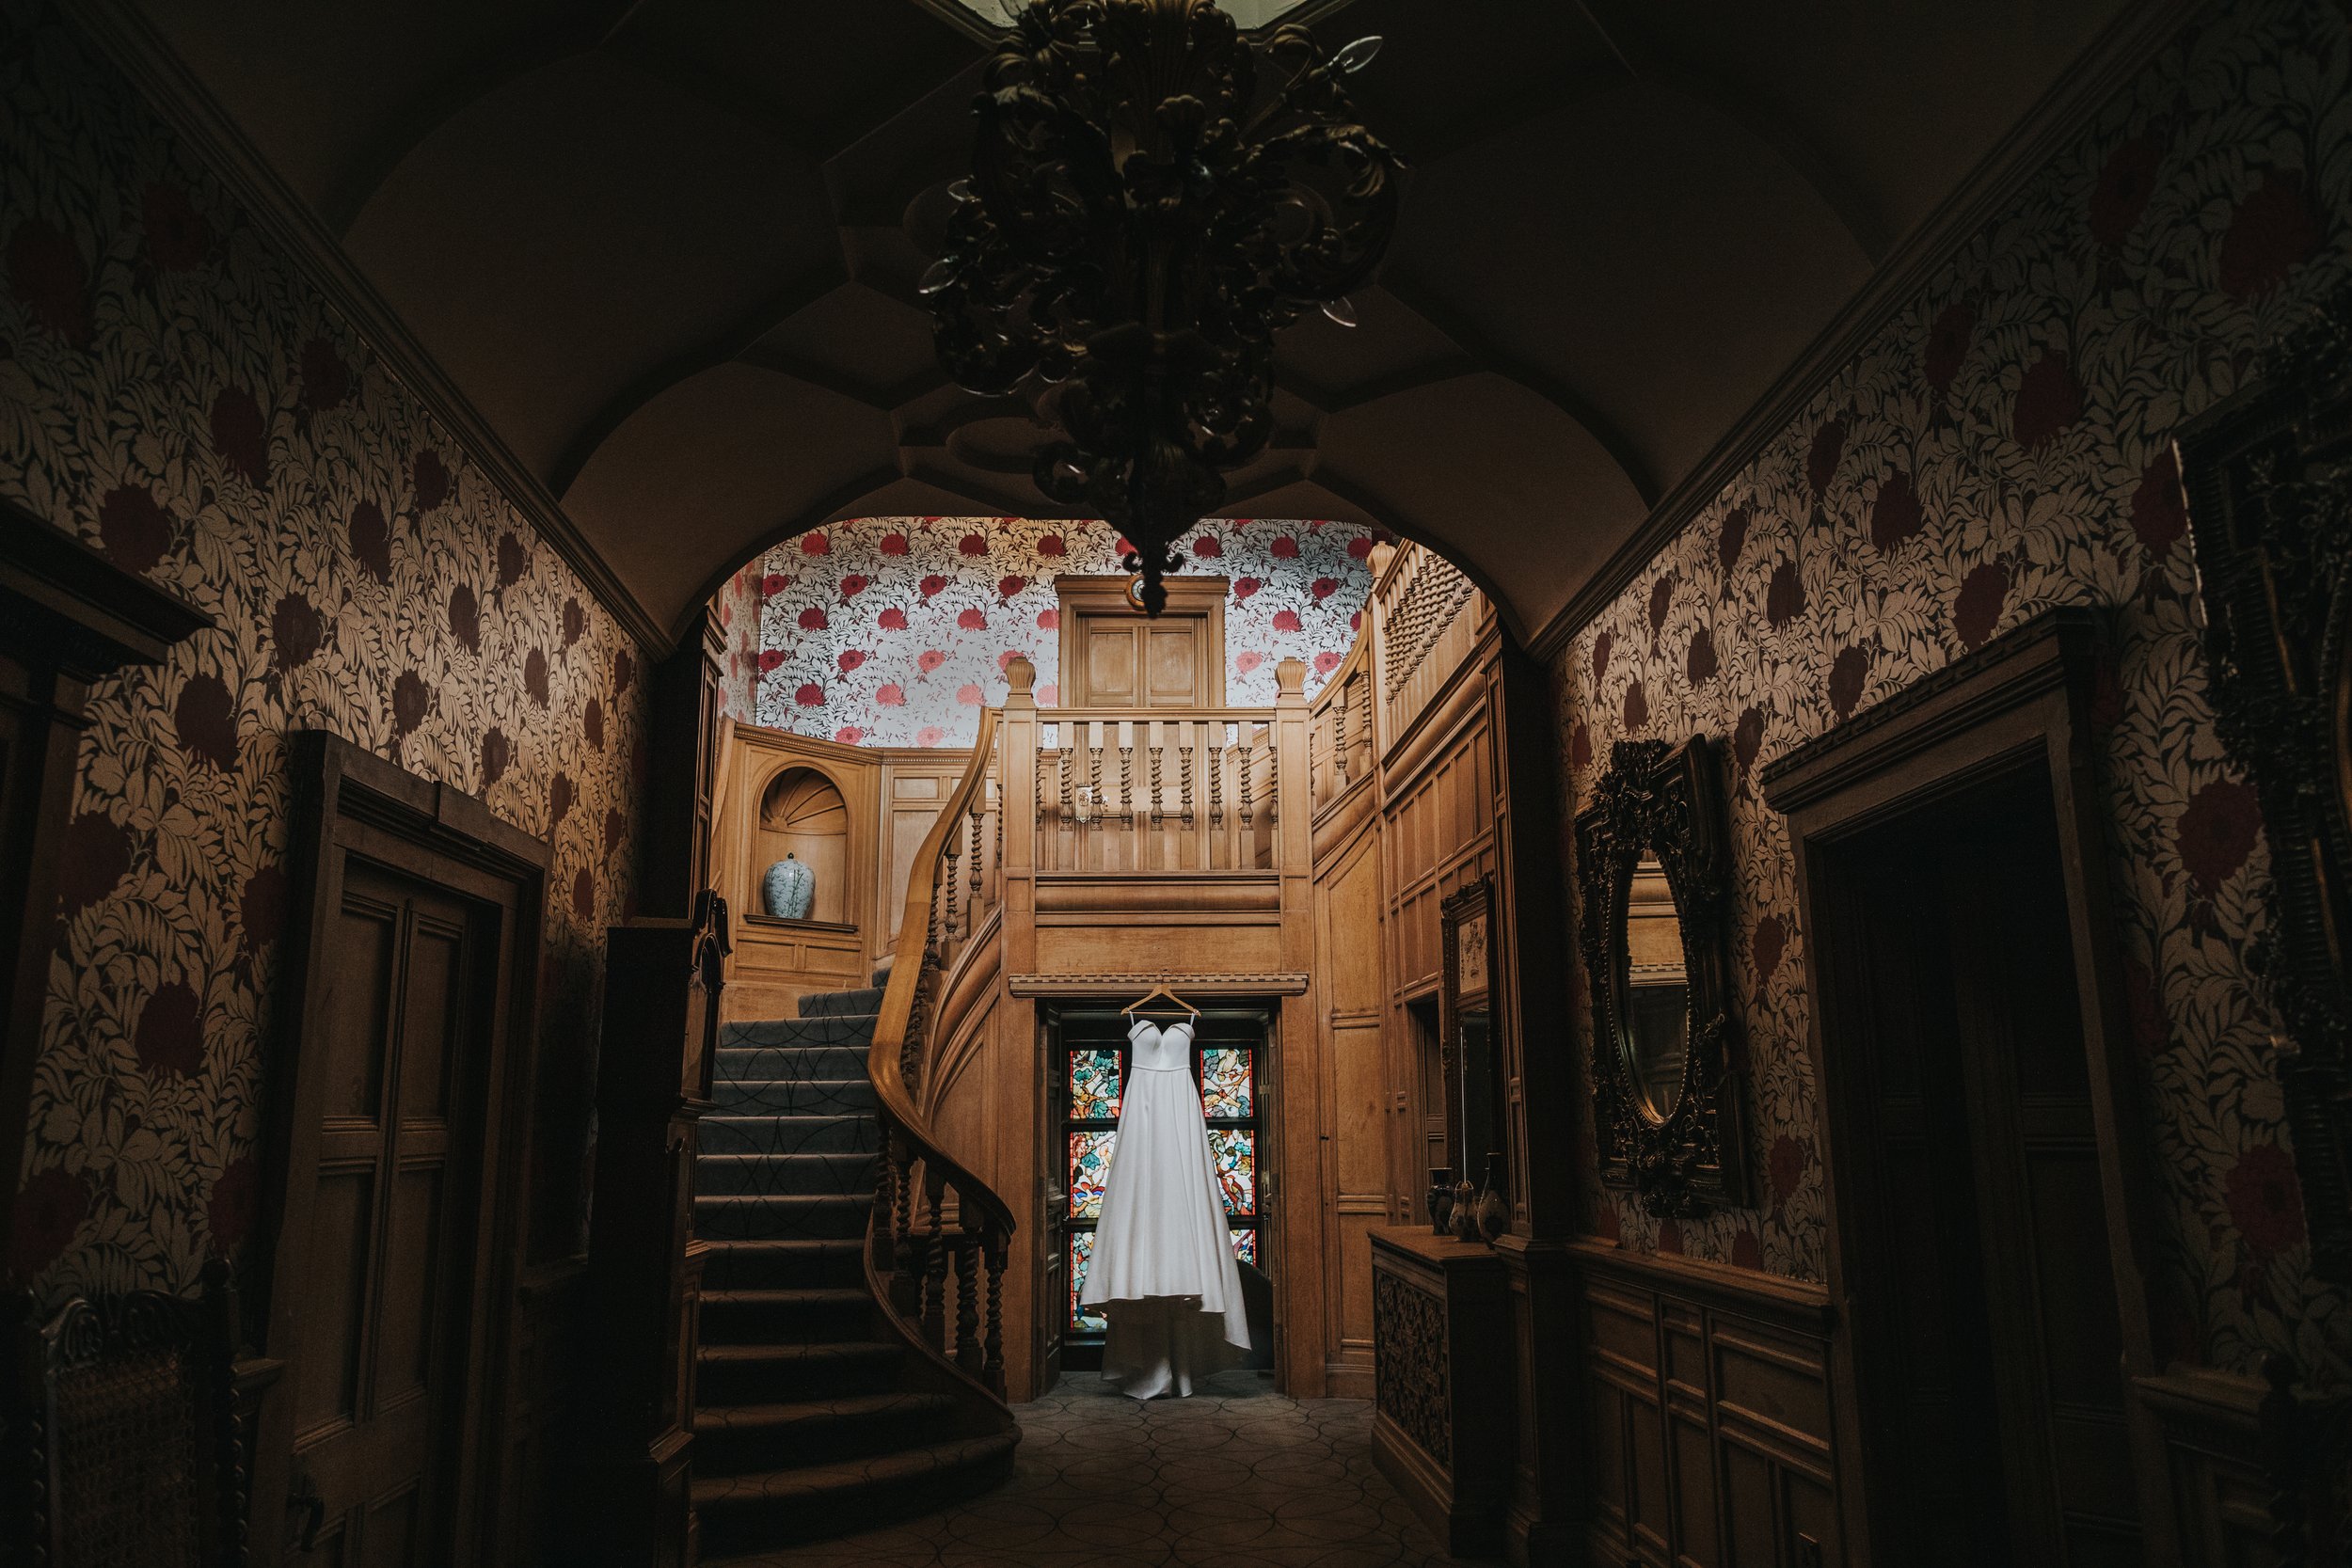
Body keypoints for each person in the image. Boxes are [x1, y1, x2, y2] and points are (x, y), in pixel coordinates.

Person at [1078, 1008, 1250, 1398]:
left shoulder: (1189, 1019)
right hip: (1142, 1108)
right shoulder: (1133, 1016)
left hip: (1179, 1109)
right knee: (1143, 1211)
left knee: (1183, 1203)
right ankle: (1156, 1368)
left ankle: (1182, 1367)